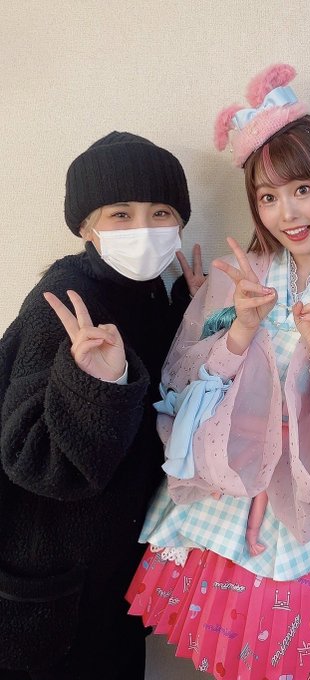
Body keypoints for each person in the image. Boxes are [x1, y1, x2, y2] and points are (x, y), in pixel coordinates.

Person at [126, 64, 310, 680]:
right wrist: (239, 333)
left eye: (302, 188)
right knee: (228, 662)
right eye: (268, 196)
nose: (287, 212)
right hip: (229, 498)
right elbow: (180, 389)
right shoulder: (236, 278)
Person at [0, 131, 204, 679]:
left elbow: (156, 389)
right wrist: (98, 384)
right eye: (120, 214)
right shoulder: (65, 304)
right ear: (86, 227)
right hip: (52, 596)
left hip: (109, 578)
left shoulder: (145, 292)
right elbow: (34, 459)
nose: (143, 228)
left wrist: (189, 309)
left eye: (160, 212)